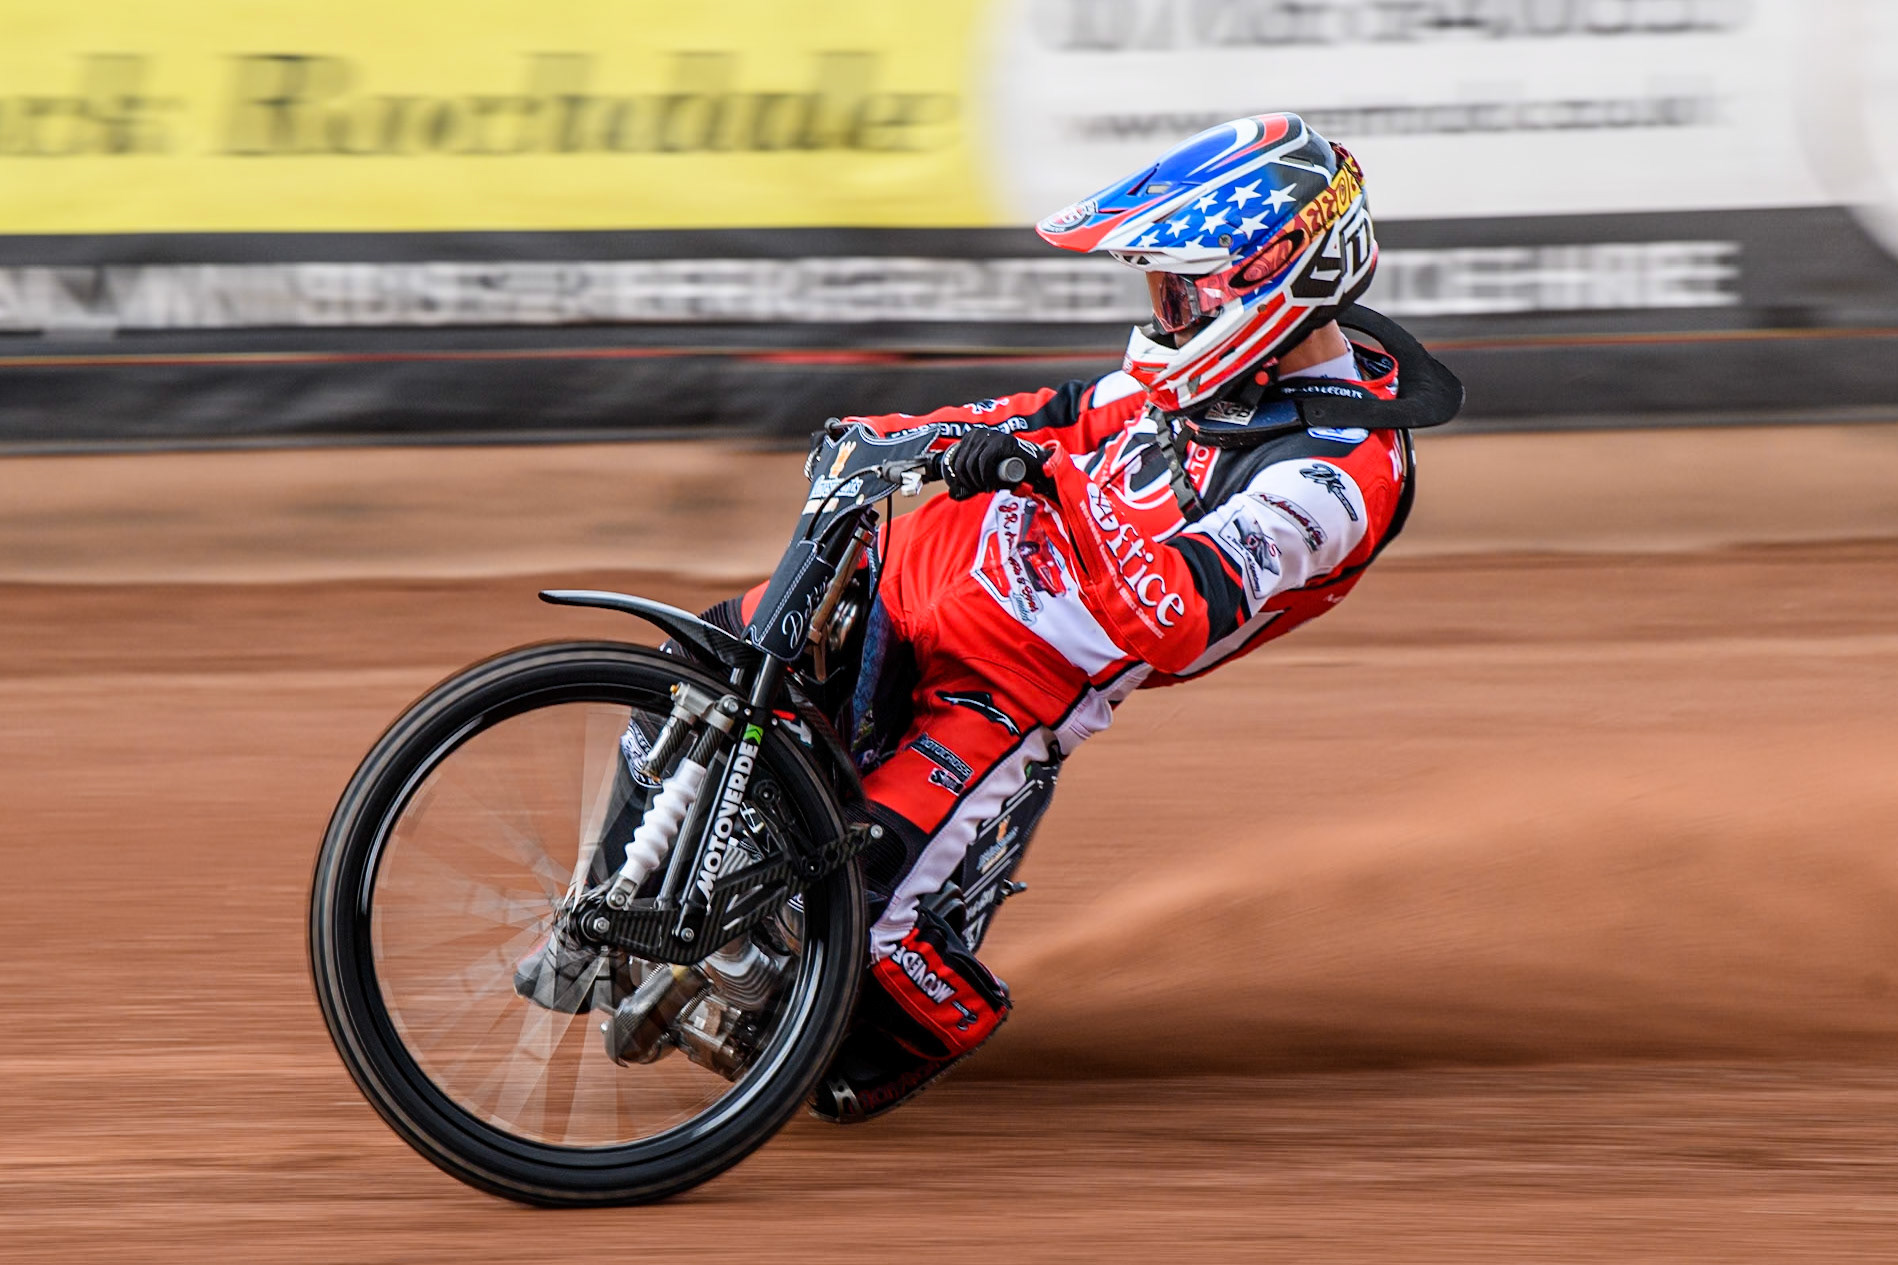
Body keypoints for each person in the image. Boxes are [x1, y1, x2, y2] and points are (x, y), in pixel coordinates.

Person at [524, 112, 1449, 1123]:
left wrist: (1044, 475)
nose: (1161, 314)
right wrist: (905, 433)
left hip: (1008, 687)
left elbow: (1177, 612)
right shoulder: (1217, 366)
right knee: (694, 668)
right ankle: (612, 921)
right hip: (913, 573)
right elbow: (1062, 409)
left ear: (1274, 281)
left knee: (857, 936)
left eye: (1180, 291)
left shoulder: (1337, 476)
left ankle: (793, 1010)